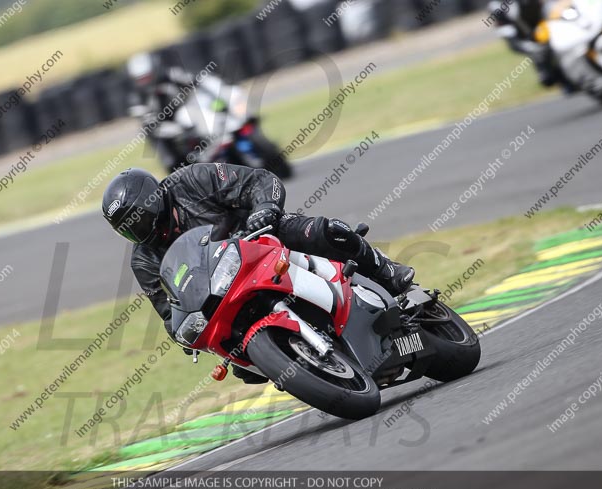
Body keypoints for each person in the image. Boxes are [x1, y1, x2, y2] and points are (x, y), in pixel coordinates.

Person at [101, 163, 415, 383]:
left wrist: (264, 208)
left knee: (323, 232)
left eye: (138, 220)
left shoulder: (190, 180)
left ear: (154, 201)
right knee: (245, 369)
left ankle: (385, 270)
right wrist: (185, 334)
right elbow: (168, 313)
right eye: (128, 230)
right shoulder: (143, 259)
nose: (137, 232)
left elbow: (258, 181)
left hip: (261, 240)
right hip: (225, 292)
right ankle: (308, 367)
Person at [126, 52, 199, 171]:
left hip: (186, 117)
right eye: (141, 79)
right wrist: (180, 129)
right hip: (165, 135)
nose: (145, 82)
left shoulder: (170, 75)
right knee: (173, 163)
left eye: (147, 77)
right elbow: (152, 126)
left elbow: (194, 79)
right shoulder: (137, 100)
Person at [488, 0, 575, 92]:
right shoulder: (496, 7)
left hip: (556, 26)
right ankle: (560, 77)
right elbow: (509, 38)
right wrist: (530, 47)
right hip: (533, 40)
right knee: (547, 79)